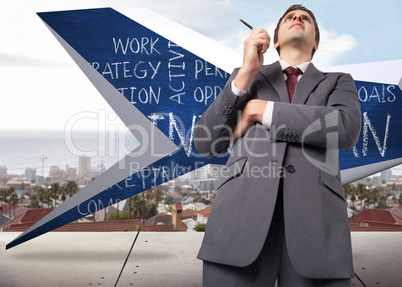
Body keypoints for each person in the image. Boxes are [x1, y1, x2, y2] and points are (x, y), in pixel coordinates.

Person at [193, 4, 362, 287]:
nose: (297, 18)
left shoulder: (338, 82)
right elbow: (205, 143)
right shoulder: (246, 78)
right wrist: (246, 71)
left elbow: (344, 128)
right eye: (290, 18)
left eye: (305, 18)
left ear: (316, 43)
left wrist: (261, 111)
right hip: (240, 218)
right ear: (276, 41)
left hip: (317, 225)